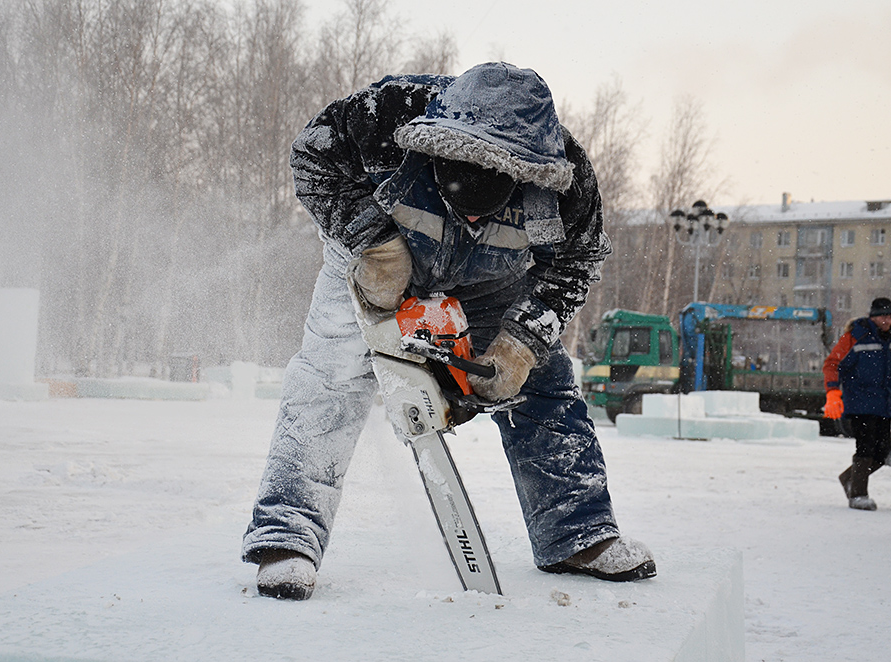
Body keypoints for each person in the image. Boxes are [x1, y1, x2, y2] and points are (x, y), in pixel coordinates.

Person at [241, 62, 656, 600]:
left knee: (546, 387)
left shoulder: (566, 176)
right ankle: (286, 537)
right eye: (460, 169)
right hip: (373, 260)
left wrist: (523, 341)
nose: (474, 193)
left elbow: (578, 260)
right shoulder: (385, 116)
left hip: (492, 285)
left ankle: (578, 534)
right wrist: (373, 240)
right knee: (330, 380)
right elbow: (311, 156)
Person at [823, 297, 891, 510]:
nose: (886, 319)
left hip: (884, 404)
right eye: (882, 315)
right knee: (866, 447)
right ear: (873, 316)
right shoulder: (856, 336)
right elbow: (832, 364)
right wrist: (833, 392)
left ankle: (850, 478)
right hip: (859, 402)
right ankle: (858, 495)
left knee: (883, 451)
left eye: (890, 315)